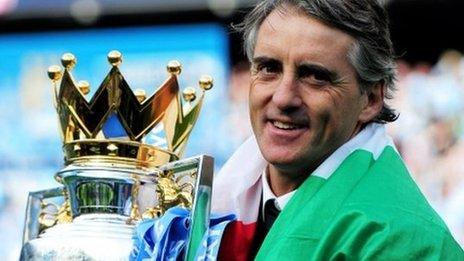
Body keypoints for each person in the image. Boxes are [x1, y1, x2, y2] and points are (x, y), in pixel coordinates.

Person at [211, 0, 464, 260]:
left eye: (315, 76)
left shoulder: (401, 243)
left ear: (371, 100)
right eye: (269, 68)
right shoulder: (214, 210)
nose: (283, 98)